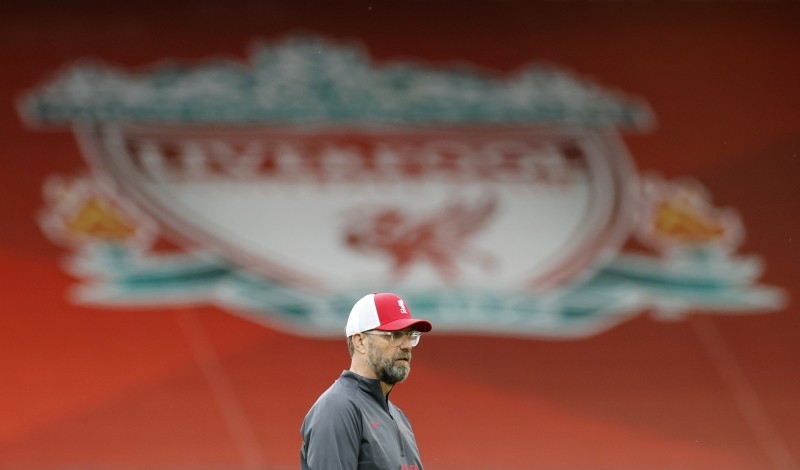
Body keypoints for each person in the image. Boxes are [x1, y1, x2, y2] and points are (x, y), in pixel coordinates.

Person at [300, 292, 432, 470]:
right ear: (360, 341)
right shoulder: (338, 408)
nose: (407, 345)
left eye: (410, 335)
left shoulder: (399, 417)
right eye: (395, 335)